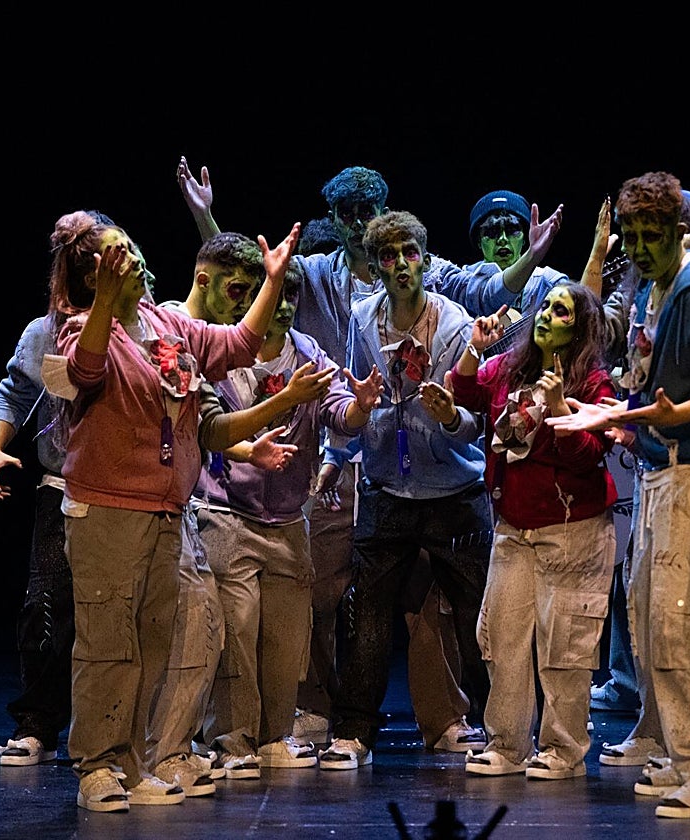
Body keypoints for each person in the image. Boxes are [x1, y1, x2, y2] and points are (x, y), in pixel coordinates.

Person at [178, 160, 562, 754]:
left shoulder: (446, 302)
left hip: (444, 483)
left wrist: (531, 257)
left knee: (460, 612)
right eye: (348, 215)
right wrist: (204, 213)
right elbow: (252, 275)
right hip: (371, 466)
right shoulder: (336, 292)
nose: (362, 228)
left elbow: (486, 319)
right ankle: (340, 722)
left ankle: (478, 727)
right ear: (337, 219)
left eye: (370, 214)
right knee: (349, 602)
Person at [52, 216, 300, 813]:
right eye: (116, 257)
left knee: (152, 642)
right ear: (93, 275)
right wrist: (106, 304)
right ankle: (97, 767)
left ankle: (133, 760)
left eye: (131, 247)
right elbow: (84, 374)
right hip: (107, 511)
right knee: (108, 644)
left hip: (164, 510)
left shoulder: (167, 324)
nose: (133, 258)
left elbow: (236, 343)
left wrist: (270, 282)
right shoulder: (82, 329)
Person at [546, 171, 690, 819]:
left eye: (650, 235)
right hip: (660, 469)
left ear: (676, 231)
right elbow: (610, 338)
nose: (638, 247)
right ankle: (681, 754)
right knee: (647, 620)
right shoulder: (653, 285)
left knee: (680, 622)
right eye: (631, 236)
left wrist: (670, 414)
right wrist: (631, 415)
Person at [190, 260, 384, 778]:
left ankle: (275, 735)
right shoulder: (222, 350)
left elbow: (338, 412)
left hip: (287, 521)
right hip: (228, 514)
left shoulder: (309, 353)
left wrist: (361, 408)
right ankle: (233, 742)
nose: (284, 306)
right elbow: (211, 424)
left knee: (284, 638)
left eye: (291, 297)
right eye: (273, 295)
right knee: (237, 632)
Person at [317, 210, 495, 772]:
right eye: (387, 256)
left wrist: (449, 420)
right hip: (387, 489)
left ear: (424, 255)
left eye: (409, 253)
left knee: (473, 616)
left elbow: (479, 419)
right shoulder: (362, 320)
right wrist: (336, 456)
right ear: (373, 264)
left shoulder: (458, 325)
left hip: (453, 491)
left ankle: (499, 729)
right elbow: (353, 394)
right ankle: (353, 733)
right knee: (367, 616)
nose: (400, 266)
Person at [450, 283, 616, 781]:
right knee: (501, 637)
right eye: (544, 307)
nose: (545, 315)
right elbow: (467, 390)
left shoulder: (594, 381)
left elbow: (590, 454)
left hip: (573, 530)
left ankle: (563, 750)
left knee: (565, 645)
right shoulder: (510, 367)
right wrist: (474, 348)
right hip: (514, 527)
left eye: (559, 311)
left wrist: (561, 405)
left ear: (579, 326)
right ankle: (506, 744)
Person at [0, 209, 108, 768]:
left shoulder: (133, 327)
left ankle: (110, 730)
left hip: (118, 493)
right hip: (59, 490)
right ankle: (38, 724)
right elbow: (12, 391)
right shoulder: (43, 333)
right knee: (45, 609)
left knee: (108, 612)